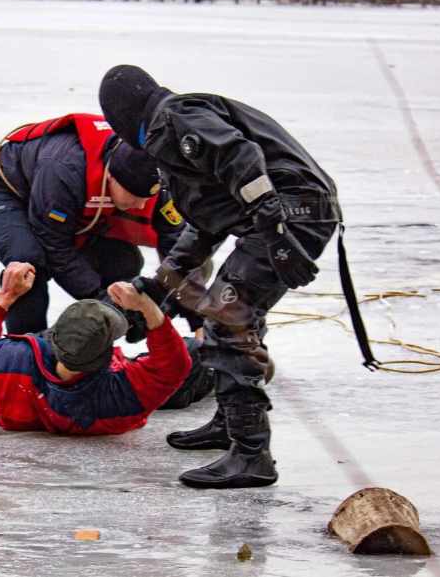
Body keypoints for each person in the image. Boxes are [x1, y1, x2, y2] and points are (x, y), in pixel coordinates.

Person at [98, 65, 344, 489]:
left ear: (122, 112)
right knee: (235, 314)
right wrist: (162, 283)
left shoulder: (176, 118)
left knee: (226, 320)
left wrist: (275, 229)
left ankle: (251, 454)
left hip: (291, 213)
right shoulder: (169, 138)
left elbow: (241, 157)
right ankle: (230, 426)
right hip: (288, 211)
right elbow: (208, 221)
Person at [0, 113, 199, 339]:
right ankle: (25, 350)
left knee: (123, 264)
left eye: (146, 199)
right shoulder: (65, 170)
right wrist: (102, 299)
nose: (140, 206)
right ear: (111, 176)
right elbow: (55, 248)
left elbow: (178, 248)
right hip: (9, 191)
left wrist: (196, 318)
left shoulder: (154, 184)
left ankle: (95, 348)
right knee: (29, 266)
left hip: (69, 205)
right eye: (134, 196)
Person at [0, 262, 194, 435]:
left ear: (52, 336)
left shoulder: (10, 362)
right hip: (115, 397)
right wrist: (147, 307)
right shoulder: (118, 397)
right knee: (194, 351)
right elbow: (175, 366)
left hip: (27, 393)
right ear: (108, 355)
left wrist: (6, 296)